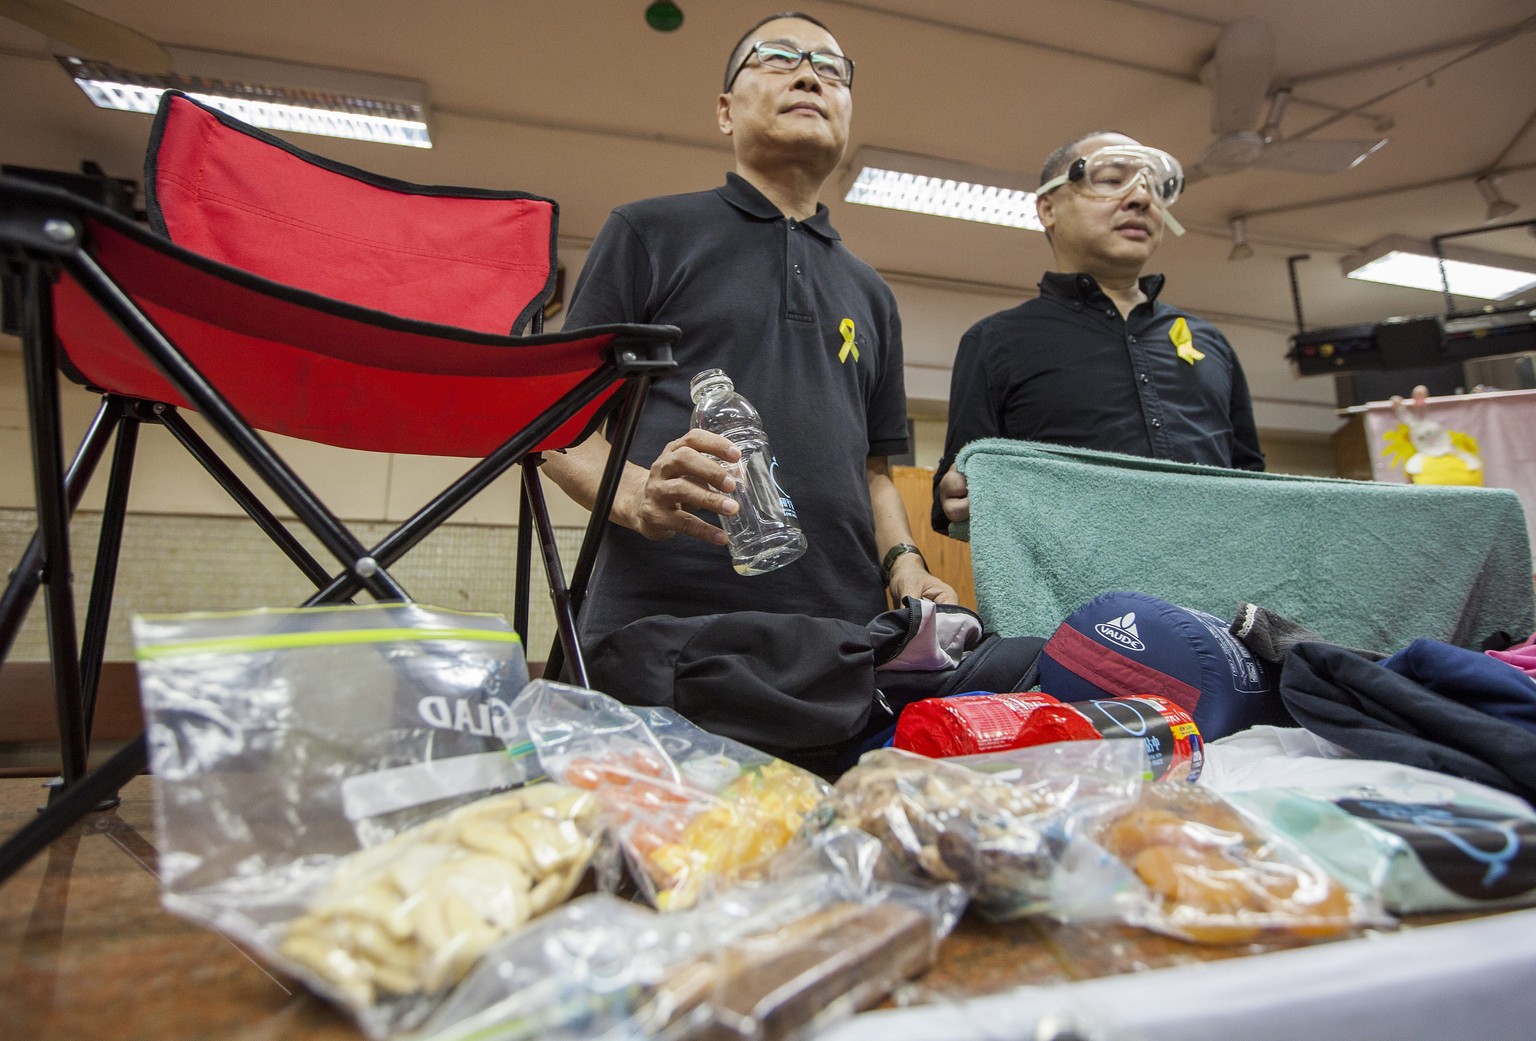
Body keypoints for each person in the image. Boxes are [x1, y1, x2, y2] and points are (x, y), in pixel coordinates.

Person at [544, 13, 957, 658]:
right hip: (660, 630)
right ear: (725, 111)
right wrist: (636, 499)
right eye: (777, 57)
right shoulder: (649, 233)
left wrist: (903, 562)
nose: (809, 75)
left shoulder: (873, 294)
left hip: (838, 637)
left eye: (831, 68)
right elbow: (555, 423)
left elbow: (876, 471)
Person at [932, 131, 1266, 536]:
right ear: (1048, 208)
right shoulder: (996, 341)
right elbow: (960, 487)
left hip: (1214, 588)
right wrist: (956, 495)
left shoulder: (1211, 344)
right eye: (1110, 180)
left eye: (1153, 187)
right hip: (1073, 594)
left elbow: (1255, 485)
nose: (1141, 198)